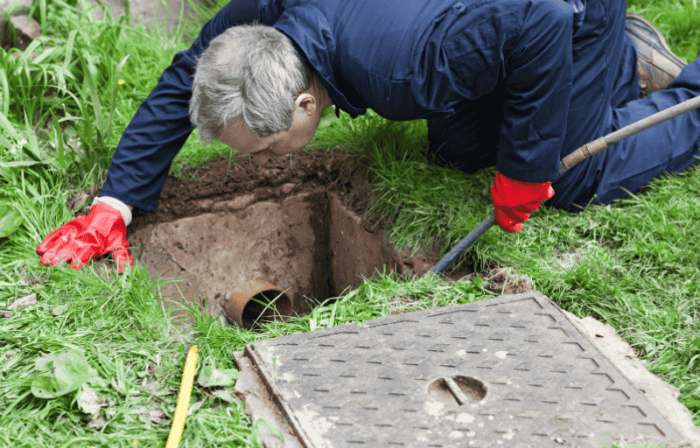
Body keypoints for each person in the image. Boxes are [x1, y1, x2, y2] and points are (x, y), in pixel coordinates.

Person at [36, 0, 700, 271]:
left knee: (565, 176)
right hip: (494, 17)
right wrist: (114, 203)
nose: (266, 163)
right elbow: (191, 69)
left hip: (559, 10)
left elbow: (543, 17)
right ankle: (621, 63)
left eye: (267, 148)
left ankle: (685, 99)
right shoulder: (265, 23)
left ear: (304, 104)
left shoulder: (405, 68)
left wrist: (528, 169)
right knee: (459, 149)